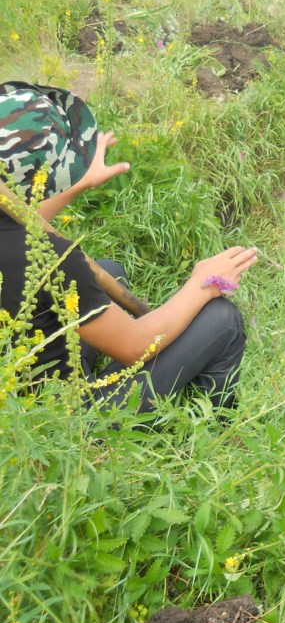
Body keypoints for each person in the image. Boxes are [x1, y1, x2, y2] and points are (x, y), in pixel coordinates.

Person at [0, 82, 256, 414]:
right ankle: (212, 425)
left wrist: (80, 184)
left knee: (110, 274)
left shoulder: (24, 239)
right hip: (54, 423)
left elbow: (18, 220)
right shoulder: (54, 259)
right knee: (221, 318)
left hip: (15, 381)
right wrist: (202, 283)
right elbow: (137, 346)